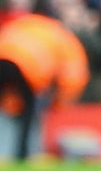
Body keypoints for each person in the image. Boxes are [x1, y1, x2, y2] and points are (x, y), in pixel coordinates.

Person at [0, 12, 89, 161]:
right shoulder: (65, 38)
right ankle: (23, 154)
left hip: (4, 56)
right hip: (27, 68)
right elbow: (73, 78)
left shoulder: (31, 23)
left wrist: (11, 105)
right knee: (28, 113)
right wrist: (58, 104)